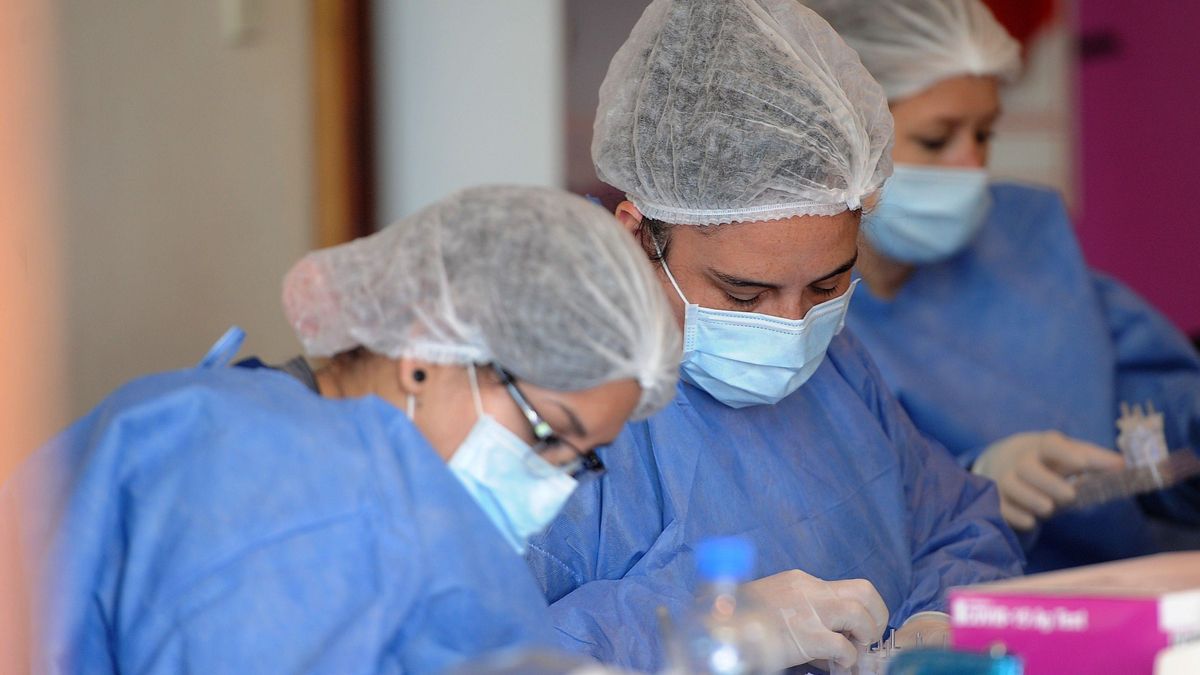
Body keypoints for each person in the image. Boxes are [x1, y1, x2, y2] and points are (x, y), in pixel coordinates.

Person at [524, 1, 1023, 672]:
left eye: (826, 286)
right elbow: (464, 647)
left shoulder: (838, 368)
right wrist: (708, 631)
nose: (790, 328)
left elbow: (959, 526)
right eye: (743, 293)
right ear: (635, 235)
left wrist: (939, 622)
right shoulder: (543, 397)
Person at [0, 185, 681, 674]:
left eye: (579, 459)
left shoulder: (294, 434)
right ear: (427, 352)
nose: (549, 485)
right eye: (545, 433)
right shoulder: (295, 495)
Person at [806, 0, 1200, 571]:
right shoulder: (789, 303)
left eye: (985, 134)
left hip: (1133, 579)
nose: (971, 166)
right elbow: (823, 513)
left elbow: (1154, 406)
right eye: (937, 140)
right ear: (834, 140)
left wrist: (1181, 436)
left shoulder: (1023, 241)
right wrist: (970, 484)